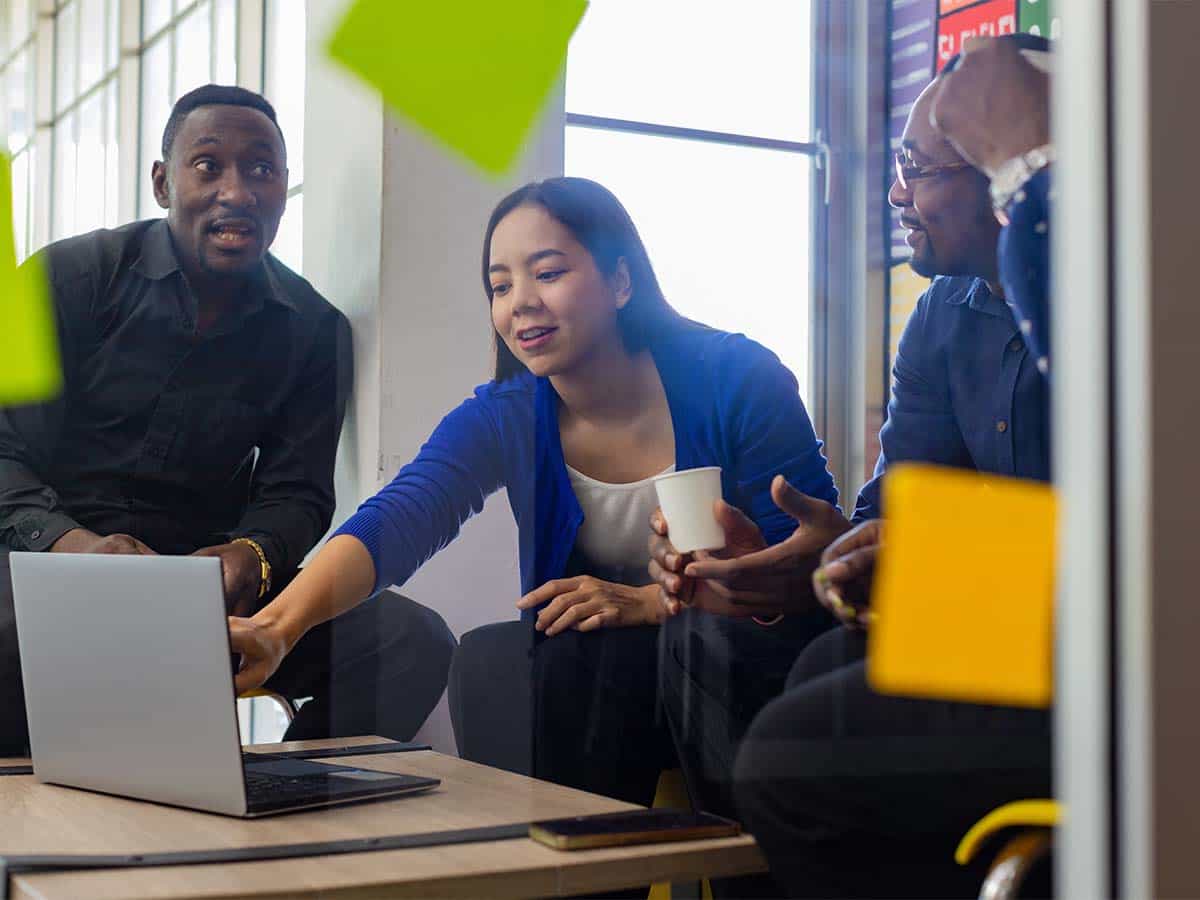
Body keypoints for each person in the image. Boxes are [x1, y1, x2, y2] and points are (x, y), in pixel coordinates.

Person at [228, 176, 841, 807]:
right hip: (611, 672)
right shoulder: (510, 413)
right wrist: (278, 626)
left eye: (547, 273)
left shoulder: (736, 378)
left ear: (622, 282)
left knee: (668, 645)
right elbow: (399, 518)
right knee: (508, 659)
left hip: (749, 653)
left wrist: (652, 603)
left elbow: (814, 564)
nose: (520, 303)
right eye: (500, 286)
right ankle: (567, 869)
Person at [651, 34, 1057, 897]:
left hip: (1105, 642)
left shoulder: (1119, 286)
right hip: (996, 620)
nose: (897, 194)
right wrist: (798, 557)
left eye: (920, 166)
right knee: (753, 651)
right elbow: (894, 523)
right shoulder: (943, 315)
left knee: (801, 747)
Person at [0, 84, 454, 755]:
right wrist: (82, 551)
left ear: (283, 188)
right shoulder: (67, 278)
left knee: (407, 640)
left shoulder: (313, 330)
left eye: (261, 169)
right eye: (208, 165)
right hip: (43, 565)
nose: (236, 192)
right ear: (162, 182)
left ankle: (275, 801)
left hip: (199, 589)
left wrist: (250, 558)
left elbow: (297, 494)